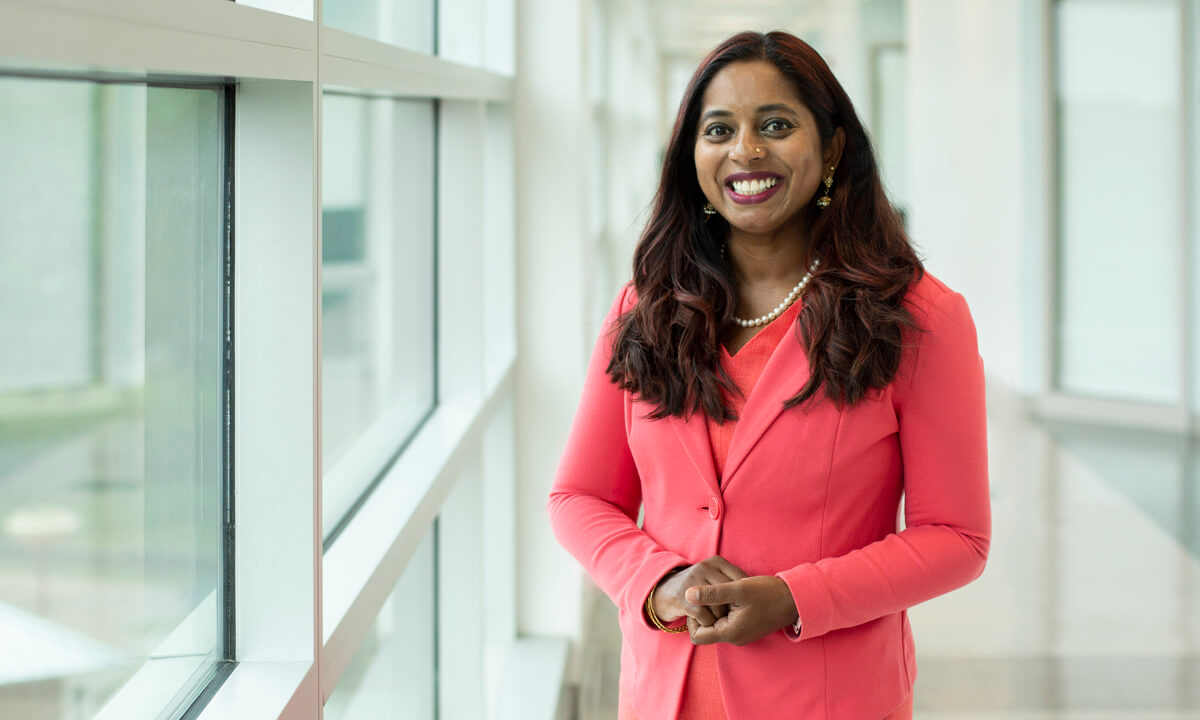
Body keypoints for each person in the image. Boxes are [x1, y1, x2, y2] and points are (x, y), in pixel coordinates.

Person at [547, 30, 989, 720]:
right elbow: (578, 497)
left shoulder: (921, 318)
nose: (745, 151)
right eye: (718, 129)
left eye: (776, 125)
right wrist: (657, 583)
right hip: (663, 696)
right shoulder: (646, 305)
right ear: (691, 155)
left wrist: (793, 597)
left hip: (832, 698)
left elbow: (957, 538)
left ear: (833, 148)